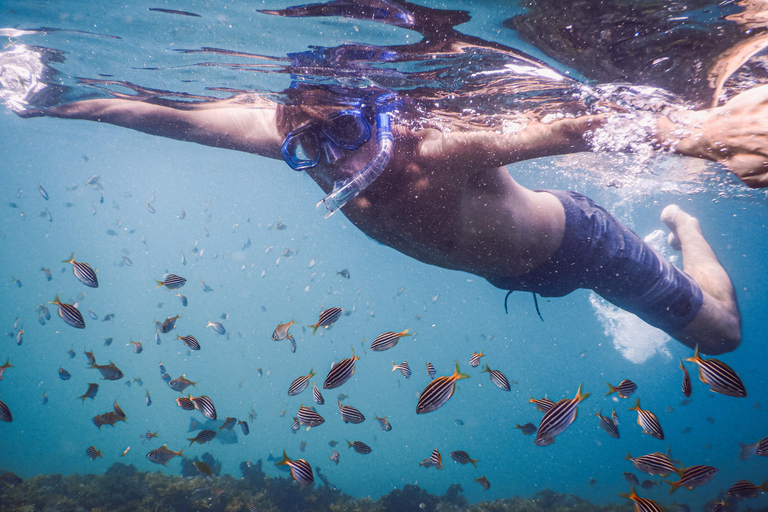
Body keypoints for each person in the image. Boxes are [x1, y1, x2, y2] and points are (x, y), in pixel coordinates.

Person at [5, 5, 768, 355]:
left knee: (721, 338)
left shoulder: (439, 149)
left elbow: (574, 124)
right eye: (313, 141)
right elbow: (155, 114)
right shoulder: (289, 137)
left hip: (580, 245)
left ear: (383, 115)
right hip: (505, 266)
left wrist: (700, 134)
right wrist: (57, 100)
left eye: (349, 131)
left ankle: (682, 230)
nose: (334, 157)